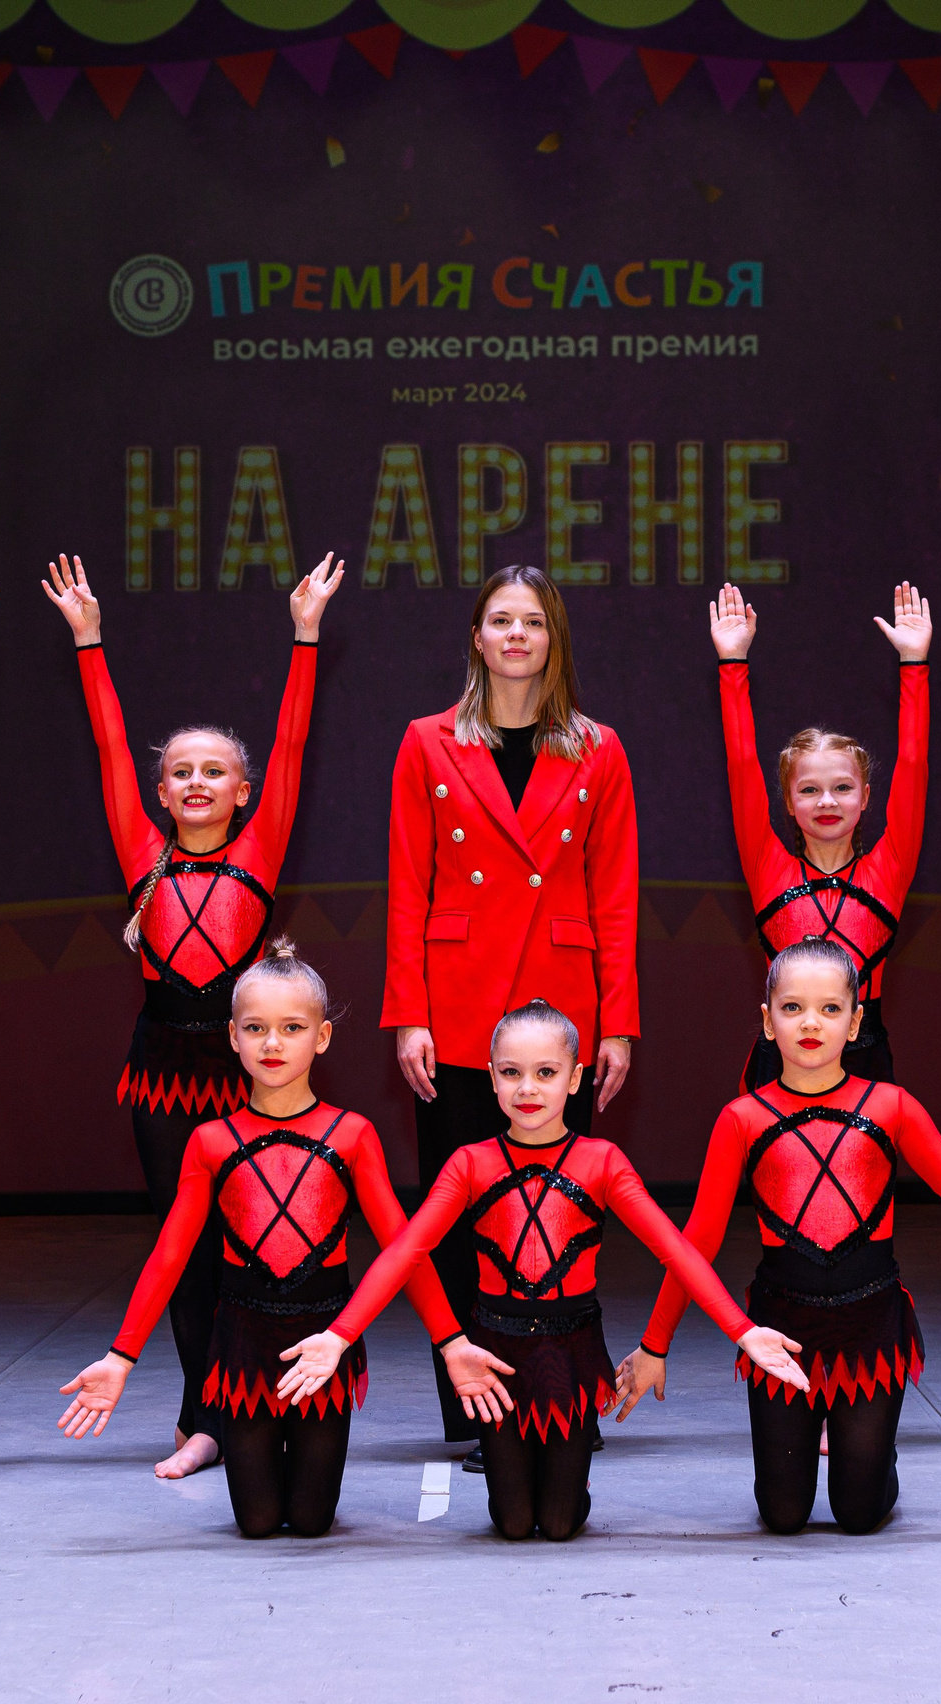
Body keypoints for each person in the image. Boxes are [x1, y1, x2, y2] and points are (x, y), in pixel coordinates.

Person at [612, 941, 941, 1532]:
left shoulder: (891, 1106)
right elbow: (694, 1241)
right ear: (766, 1020)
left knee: (860, 1512)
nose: (811, 1023)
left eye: (830, 1009)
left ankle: (877, 1455)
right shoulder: (741, 1119)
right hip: (781, 1335)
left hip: (872, 1325)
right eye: (793, 1008)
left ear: (857, 1021)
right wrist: (656, 1346)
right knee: (782, 1514)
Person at [278, 1000, 808, 1541]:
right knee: (511, 1522)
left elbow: (677, 1252)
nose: (527, 1089)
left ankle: (567, 1482)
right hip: (496, 1359)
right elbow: (404, 1254)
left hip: (571, 1353)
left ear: (576, 1079)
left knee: (557, 1523)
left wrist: (740, 1331)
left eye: (546, 1073)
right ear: (491, 1078)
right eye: (511, 1073)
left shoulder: (602, 1161)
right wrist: (341, 1336)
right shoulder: (469, 1163)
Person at [41, 551, 343, 1480]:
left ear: (243, 793)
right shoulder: (143, 855)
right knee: (185, 1244)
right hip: (162, 1072)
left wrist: (304, 634)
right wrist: (89, 640)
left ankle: (255, 1400)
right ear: (161, 793)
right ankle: (200, 1414)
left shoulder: (259, 852)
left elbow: (292, 744)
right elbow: (101, 741)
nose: (200, 783)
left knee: (250, 1243)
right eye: (182, 773)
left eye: (217, 771)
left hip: (244, 1068)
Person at [54, 941, 488, 1537]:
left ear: (323, 1037)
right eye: (256, 1028)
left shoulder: (353, 1134)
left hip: (324, 1347)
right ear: (232, 1037)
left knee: (311, 1521)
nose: (273, 1044)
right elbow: (171, 1255)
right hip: (243, 1348)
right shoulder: (210, 1140)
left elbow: (405, 1251)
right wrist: (120, 1357)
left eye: (292, 1027)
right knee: (256, 1523)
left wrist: (452, 1342)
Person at [382, 565, 640, 1462]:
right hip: (455, 1001)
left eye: (534, 621)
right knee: (454, 1216)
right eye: (501, 620)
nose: (518, 635)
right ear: (478, 638)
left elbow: (615, 896)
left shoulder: (598, 748)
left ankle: (566, 1394)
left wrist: (617, 1024)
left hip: (561, 1002)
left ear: (554, 639)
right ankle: (473, 1407)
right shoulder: (427, 742)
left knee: (564, 1211)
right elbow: (407, 885)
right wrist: (407, 1013)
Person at [708, 581, 932, 1088]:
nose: (826, 802)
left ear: (866, 798)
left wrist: (914, 664)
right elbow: (742, 764)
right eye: (809, 790)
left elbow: (914, 764)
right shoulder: (769, 865)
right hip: (777, 1062)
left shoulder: (888, 868)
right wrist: (732, 662)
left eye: (842, 788)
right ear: (787, 802)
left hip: (866, 1058)